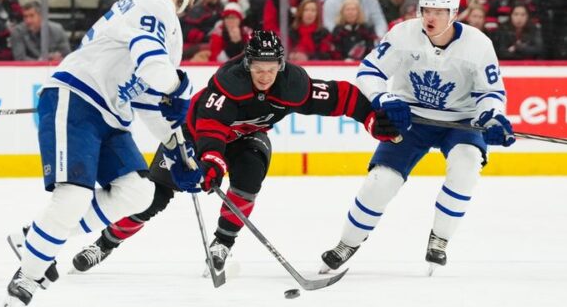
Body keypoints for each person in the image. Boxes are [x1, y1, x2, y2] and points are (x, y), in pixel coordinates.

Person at [69, 30, 401, 274]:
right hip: (193, 134)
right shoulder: (229, 84)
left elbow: (340, 96)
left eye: (272, 67)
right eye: (259, 66)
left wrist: (371, 118)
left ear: (281, 64)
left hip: (248, 137)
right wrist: (211, 162)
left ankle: (222, 244)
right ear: (247, 62)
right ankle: (104, 244)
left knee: (249, 177)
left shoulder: (293, 84)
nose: (265, 75)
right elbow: (211, 130)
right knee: (153, 197)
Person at [2, 0, 206, 306]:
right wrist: (181, 89)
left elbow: (146, 99)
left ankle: (35, 239)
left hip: (110, 113)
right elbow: (151, 63)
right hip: (77, 98)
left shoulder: (166, 24)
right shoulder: (152, 3)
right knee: (74, 194)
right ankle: (28, 279)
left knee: (138, 192)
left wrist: (177, 147)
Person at [320, 0, 515, 275]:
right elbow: (369, 71)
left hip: (460, 120)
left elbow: (491, 93)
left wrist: (491, 118)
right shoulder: (403, 34)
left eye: (439, 10)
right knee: (380, 181)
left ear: (454, 12)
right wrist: (384, 98)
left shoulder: (478, 45)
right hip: (411, 118)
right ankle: (347, 243)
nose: (430, 17)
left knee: (467, 165)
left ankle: (440, 239)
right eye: (426, 9)